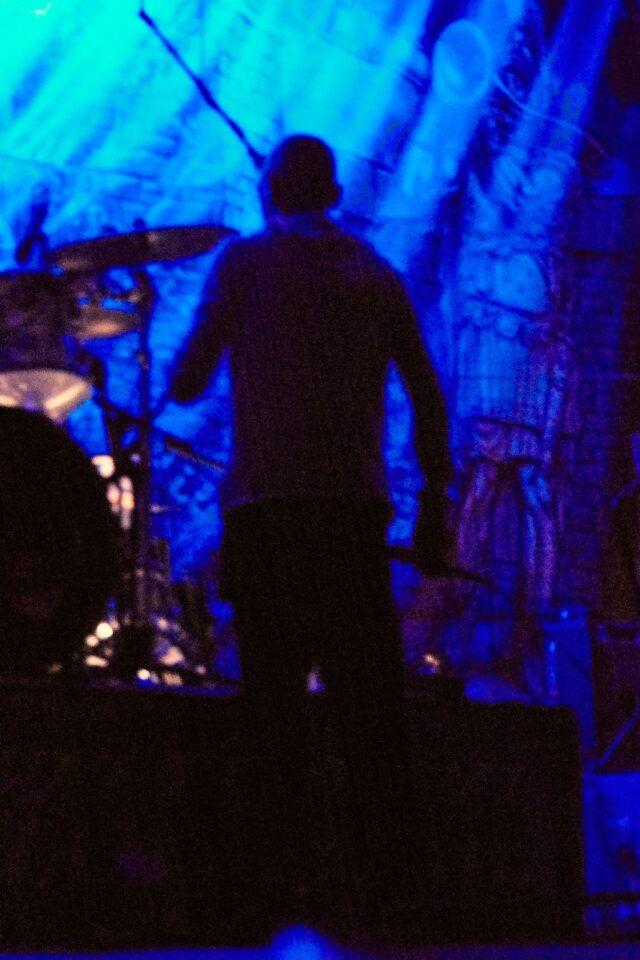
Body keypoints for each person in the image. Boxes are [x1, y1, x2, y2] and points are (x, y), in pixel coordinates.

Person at [169, 134, 453, 935]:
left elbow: (186, 382)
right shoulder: (376, 275)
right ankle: (394, 892)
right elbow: (427, 396)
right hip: (353, 516)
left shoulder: (242, 263)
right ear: (331, 195)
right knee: (371, 713)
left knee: (273, 710)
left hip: (268, 514)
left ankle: (274, 887)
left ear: (269, 192)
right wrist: (434, 502)